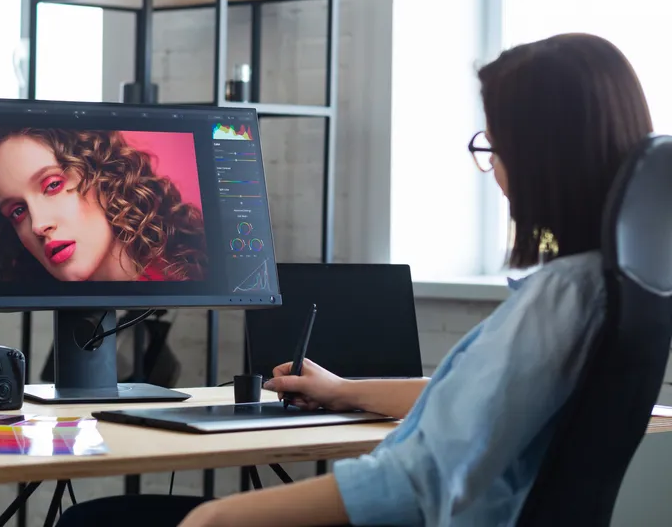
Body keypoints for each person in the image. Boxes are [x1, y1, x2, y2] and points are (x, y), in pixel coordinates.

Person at [58, 33, 655, 527]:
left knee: (101, 521)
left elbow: (417, 479)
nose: (492, 167)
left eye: (494, 146)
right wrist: (342, 391)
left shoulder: (558, 301)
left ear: (540, 156)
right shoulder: (612, 292)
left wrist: (213, 520)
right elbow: (480, 407)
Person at [0, 127, 208, 282]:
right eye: (18, 211)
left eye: (52, 186)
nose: (38, 225)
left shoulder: (192, 277)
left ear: (103, 175)